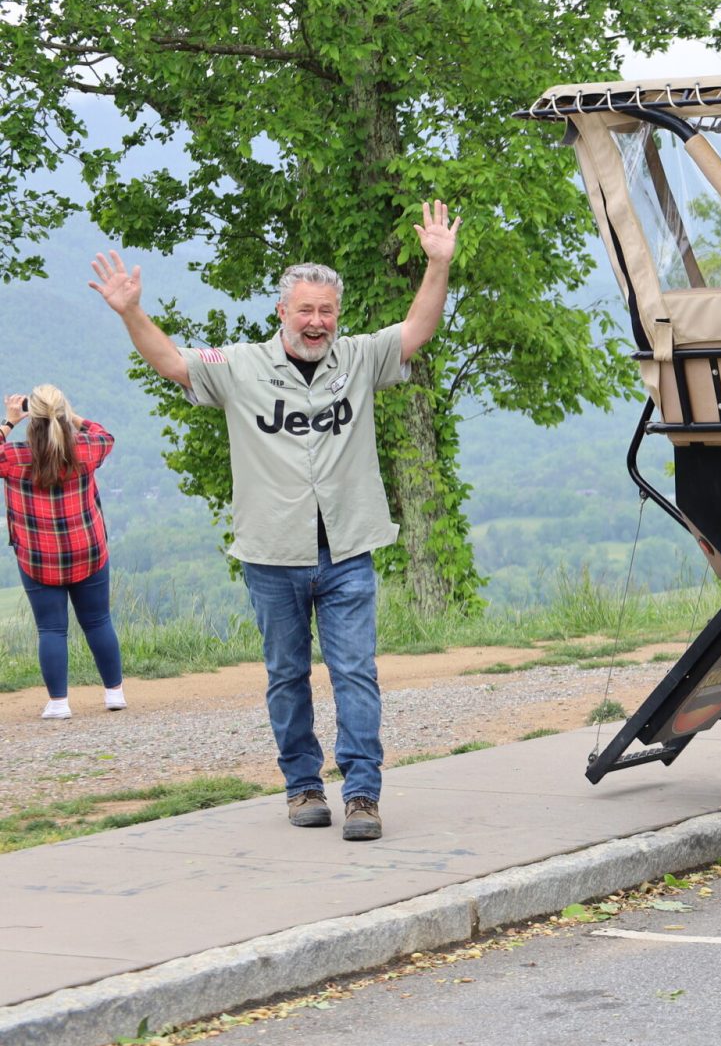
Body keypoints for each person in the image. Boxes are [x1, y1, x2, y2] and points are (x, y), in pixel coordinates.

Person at [88, 203, 460, 841]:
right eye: (305, 310)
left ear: (336, 315)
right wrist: (130, 312)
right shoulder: (239, 367)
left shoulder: (360, 358)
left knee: (355, 672)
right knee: (286, 674)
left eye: (327, 311)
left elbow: (416, 331)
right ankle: (304, 787)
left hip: (347, 547)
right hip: (271, 552)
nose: (317, 322)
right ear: (281, 312)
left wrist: (437, 264)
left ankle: (363, 794)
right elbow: (174, 363)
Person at [1, 386, 125, 721]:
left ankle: (59, 703)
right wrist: (72, 417)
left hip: (38, 557)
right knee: (98, 621)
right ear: (61, 415)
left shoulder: (14, 458)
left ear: (32, 418)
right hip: (87, 551)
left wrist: (9, 423)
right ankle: (115, 693)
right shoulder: (84, 449)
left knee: (51, 630)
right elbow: (105, 435)